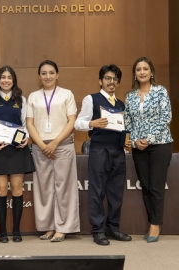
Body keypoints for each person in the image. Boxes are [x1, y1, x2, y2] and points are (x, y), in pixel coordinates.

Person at [74, 64, 132, 246]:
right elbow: (78, 123)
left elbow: (123, 129)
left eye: (115, 79)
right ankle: (98, 230)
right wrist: (93, 123)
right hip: (99, 150)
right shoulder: (91, 99)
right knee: (97, 191)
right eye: (108, 78)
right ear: (100, 81)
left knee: (116, 192)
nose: (112, 82)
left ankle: (112, 227)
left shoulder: (121, 104)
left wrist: (127, 141)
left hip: (118, 151)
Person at [0, 66, 35, 243]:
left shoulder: (21, 99)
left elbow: (26, 125)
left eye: (9, 77)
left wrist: (25, 138)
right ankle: (3, 232)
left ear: (14, 80)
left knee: (17, 190)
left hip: (17, 150)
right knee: (1, 190)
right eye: (3, 77)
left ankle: (16, 231)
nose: (6, 80)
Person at [26, 60, 80, 242]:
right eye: (43, 73)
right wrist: (42, 145)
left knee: (64, 187)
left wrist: (55, 142)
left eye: (51, 72)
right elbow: (29, 124)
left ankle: (63, 227)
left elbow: (71, 121)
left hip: (62, 146)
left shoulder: (67, 94)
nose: (47, 76)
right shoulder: (33, 96)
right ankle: (48, 226)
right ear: (39, 76)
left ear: (57, 74)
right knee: (44, 188)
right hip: (40, 147)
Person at [124, 57, 173, 243]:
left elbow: (165, 117)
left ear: (151, 72)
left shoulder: (160, 92)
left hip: (160, 144)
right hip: (139, 147)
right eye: (138, 69)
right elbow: (128, 122)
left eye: (145, 69)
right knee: (145, 186)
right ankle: (154, 221)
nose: (142, 72)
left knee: (156, 186)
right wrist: (135, 141)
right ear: (135, 74)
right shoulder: (130, 96)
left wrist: (149, 139)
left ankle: (154, 225)